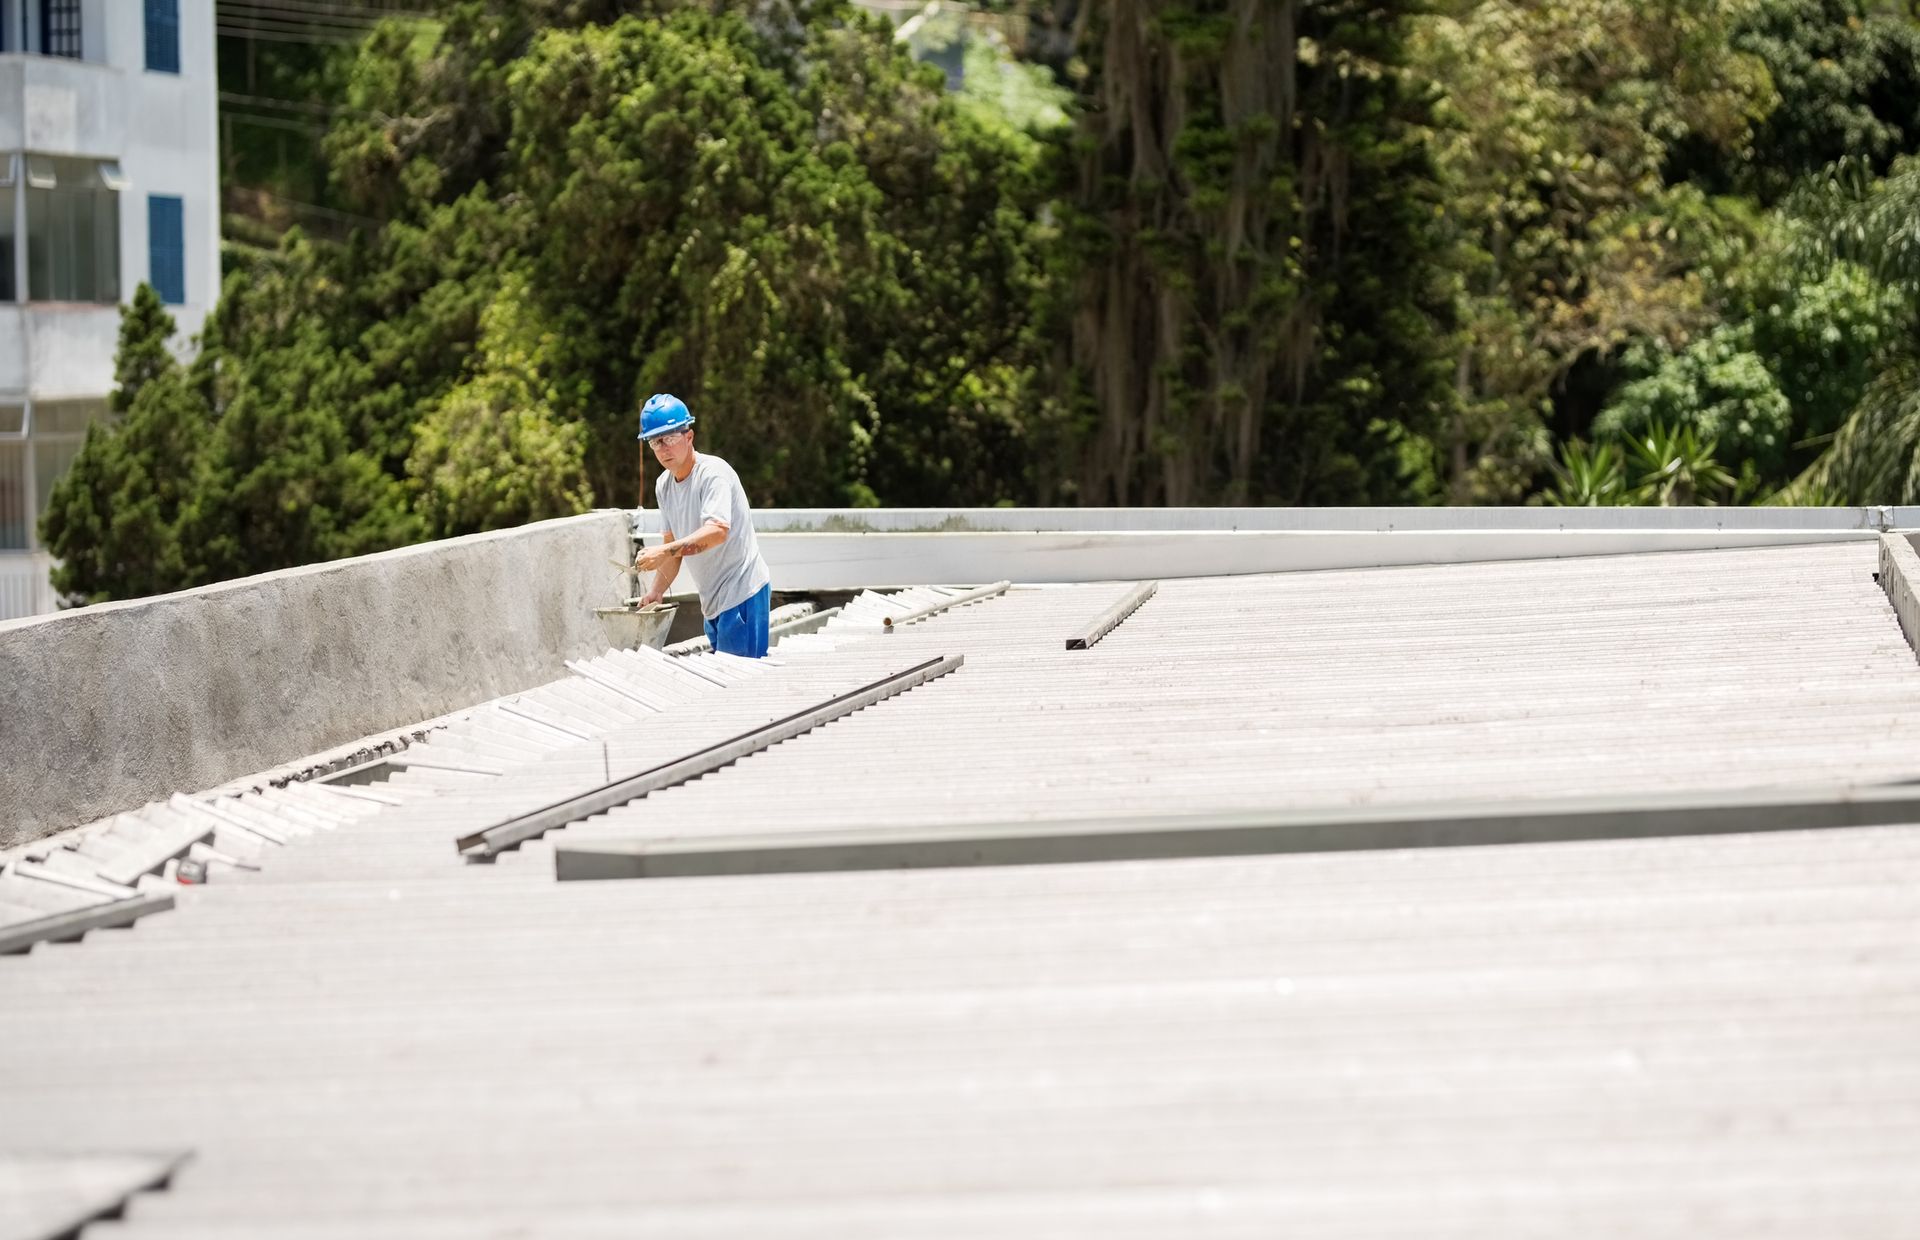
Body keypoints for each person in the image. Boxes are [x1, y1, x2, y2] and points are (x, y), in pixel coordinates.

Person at [633, 393, 774, 657]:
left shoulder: (713, 474)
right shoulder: (664, 485)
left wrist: (664, 552)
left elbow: (717, 532)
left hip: (743, 593)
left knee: (741, 685)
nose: (663, 448)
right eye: (655, 442)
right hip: (712, 602)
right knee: (727, 683)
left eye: (670, 438)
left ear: (689, 437)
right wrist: (656, 591)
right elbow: (672, 549)